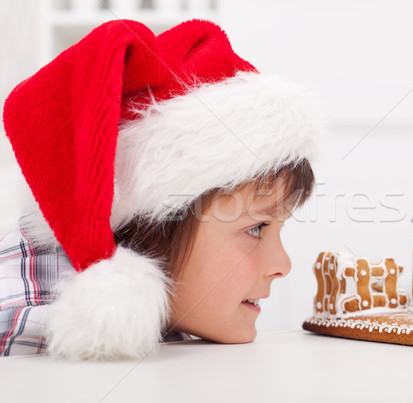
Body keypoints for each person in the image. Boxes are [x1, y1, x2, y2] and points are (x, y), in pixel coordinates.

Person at [0, 19, 323, 360]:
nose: (283, 265)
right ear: (152, 224)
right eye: (257, 228)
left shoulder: (172, 301)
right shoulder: (36, 331)